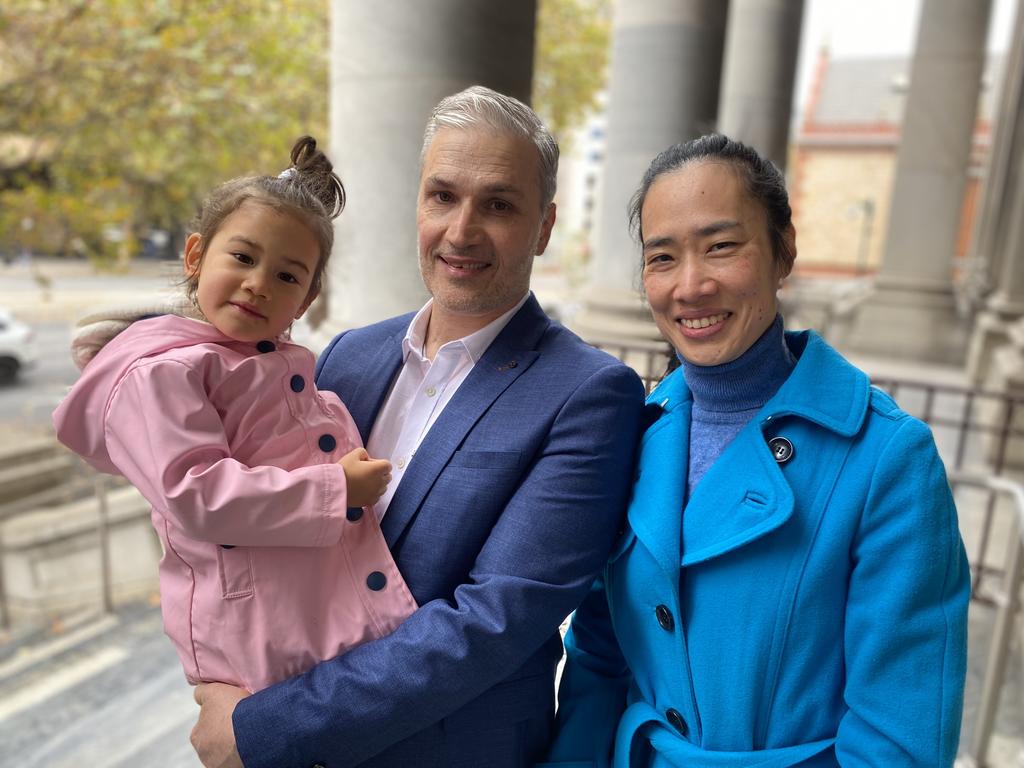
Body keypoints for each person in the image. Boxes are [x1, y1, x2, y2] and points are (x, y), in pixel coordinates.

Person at [188, 86, 646, 768]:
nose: (461, 231)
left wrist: (265, 727)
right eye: (442, 196)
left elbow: (491, 622)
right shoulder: (349, 355)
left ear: (545, 228)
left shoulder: (589, 394)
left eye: (498, 204)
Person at [541, 134, 971, 767]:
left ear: (783, 252)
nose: (690, 286)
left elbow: (898, 738)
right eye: (662, 257)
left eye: (721, 247)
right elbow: (600, 656)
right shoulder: (637, 430)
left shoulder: (887, 460)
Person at [52, 136, 417, 694]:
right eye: (243, 258)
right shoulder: (161, 373)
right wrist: (333, 490)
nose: (258, 284)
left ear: (306, 301)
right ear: (196, 256)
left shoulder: (273, 366)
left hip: (312, 615)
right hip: (256, 634)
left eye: (287, 276)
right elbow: (195, 493)